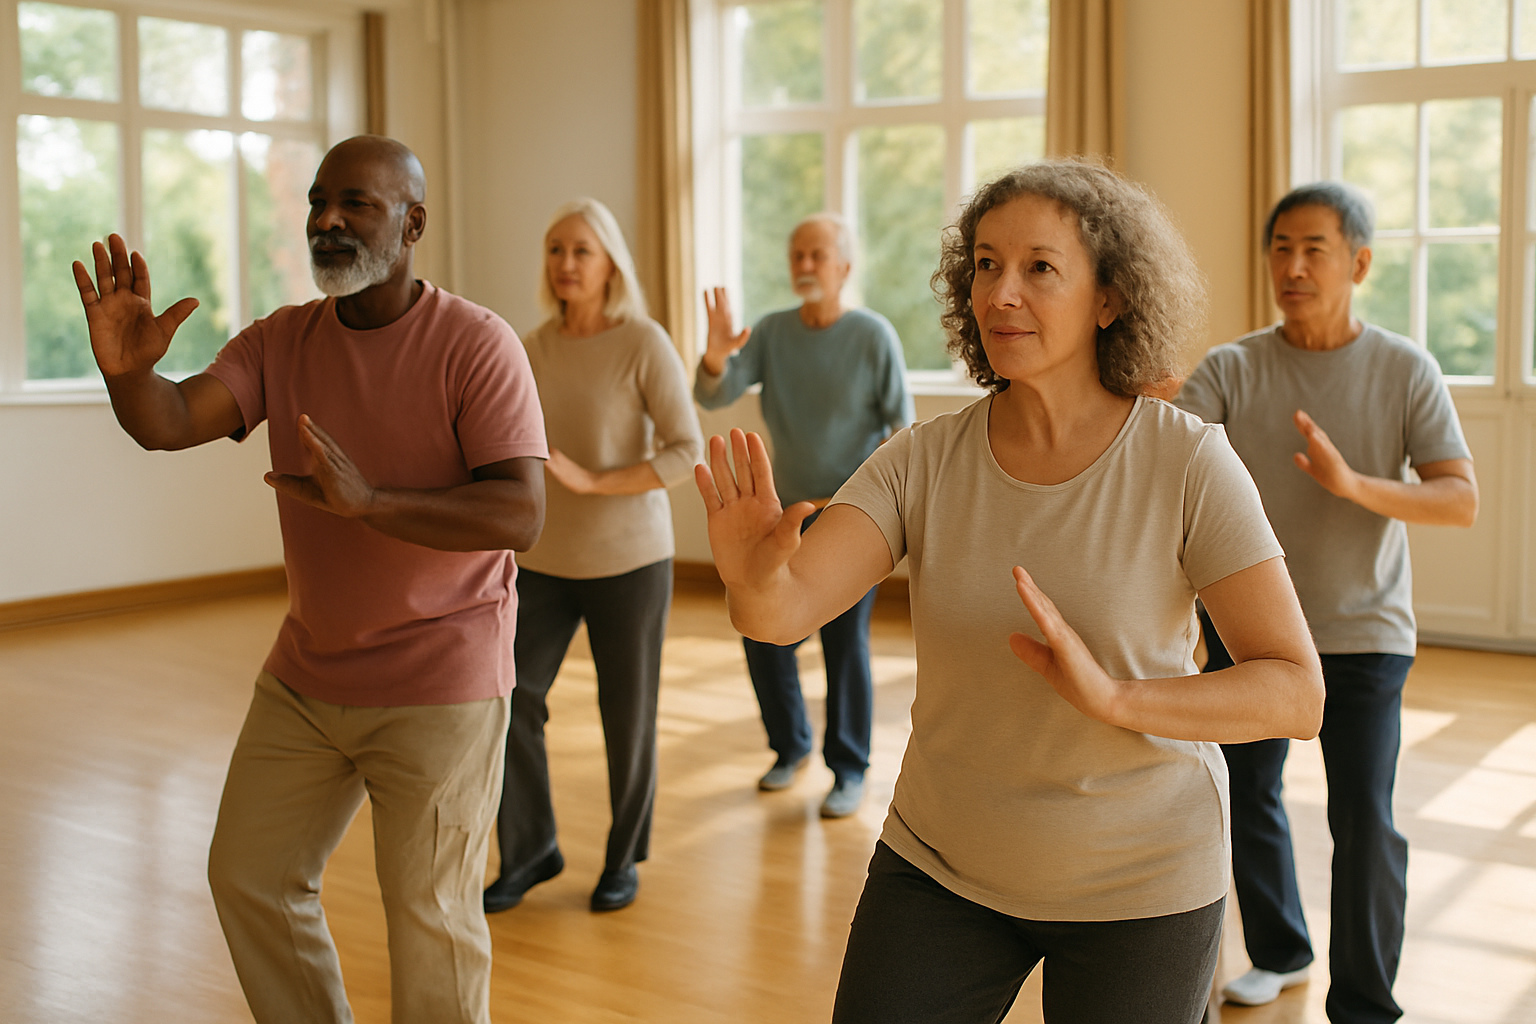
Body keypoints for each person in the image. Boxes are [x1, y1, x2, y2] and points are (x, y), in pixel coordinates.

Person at [695, 161, 1326, 1023]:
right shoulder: (922, 460)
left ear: (1109, 297)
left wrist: (1118, 697)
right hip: (942, 865)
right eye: (985, 265)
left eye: (1039, 267)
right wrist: (751, 574)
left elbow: (1295, 690)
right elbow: (778, 614)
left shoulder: (1186, 462)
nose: (1001, 293)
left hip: (1141, 881)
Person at [71, 136, 548, 1024]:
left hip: (441, 682)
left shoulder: (476, 344)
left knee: (431, 919)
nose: (328, 219)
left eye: (356, 204)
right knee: (249, 876)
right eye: (319, 201)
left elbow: (520, 513)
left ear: (412, 223)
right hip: (309, 675)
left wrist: (373, 503)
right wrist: (128, 376)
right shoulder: (282, 339)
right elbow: (170, 422)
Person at [1175, 182, 1478, 1021]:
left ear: (1359, 262)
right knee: (1250, 795)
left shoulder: (1403, 368)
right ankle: (1280, 950)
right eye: (1280, 248)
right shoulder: (1234, 367)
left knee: (1365, 821)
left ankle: (1366, 1004)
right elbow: (1165, 456)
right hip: (1252, 632)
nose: (1294, 266)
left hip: (1365, 632)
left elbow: (1459, 498)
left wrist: (1355, 485)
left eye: (1314, 249)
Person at [484, 198, 702, 915]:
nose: (566, 263)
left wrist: (596, 480)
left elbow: (684, 450)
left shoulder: (643, 341)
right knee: (509, 697)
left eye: (581, 250)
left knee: (627, 713)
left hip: (630, 560)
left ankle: (621, 859)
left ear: (610, 263)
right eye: (555, 249)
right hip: (544, 559)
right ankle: (531, 850)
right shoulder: (530, 346)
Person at [695, 212, 912, 818]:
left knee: (846, 645)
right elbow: (714, 392)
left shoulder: (874, 336)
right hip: (780, 516)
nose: (805, 266)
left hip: (853, 518)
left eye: (818, 255)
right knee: (764, 636)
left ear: (845, 266)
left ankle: (849, 767)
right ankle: (789, 747)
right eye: (797, 255)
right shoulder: (771, 333)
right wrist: (714, 359)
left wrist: (902, 516)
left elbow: (903, 428)